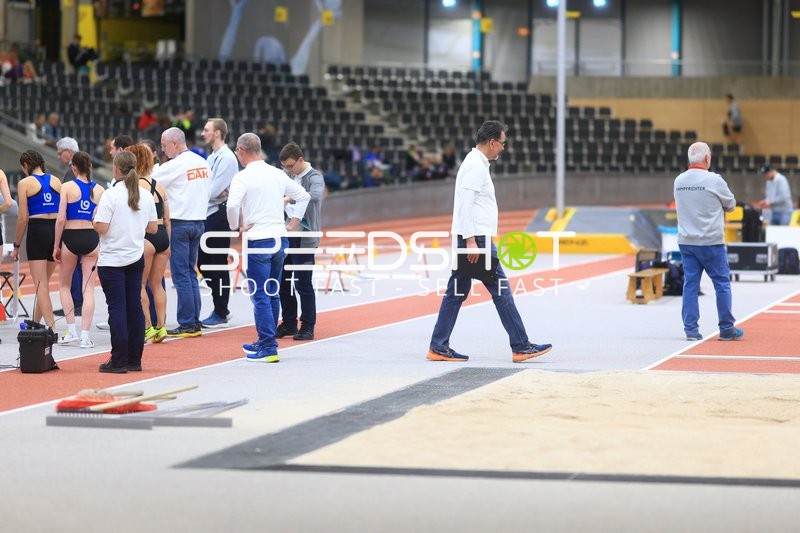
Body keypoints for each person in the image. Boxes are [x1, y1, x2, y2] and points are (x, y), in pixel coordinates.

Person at [427, 120, 552, 363]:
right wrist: (471, 241)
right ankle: (521, 345)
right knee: (501, 291)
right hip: (476, 240)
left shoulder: (475, 163)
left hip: (472, 237)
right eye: (502, 143)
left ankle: (438, 346)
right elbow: (466, 204)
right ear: (492, 142)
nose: (504, 148)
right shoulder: (475, 165)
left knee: (456, 293)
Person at [226, 133, 310, 363]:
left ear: (242, 150)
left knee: (260, 294)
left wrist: (236, 227)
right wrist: (293, 222)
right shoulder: (276, 173)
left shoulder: (242, 177)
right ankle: (267, 339)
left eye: (237, 152)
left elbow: (232, 205)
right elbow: (303, 196)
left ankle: (268, 345)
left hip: (258, 240)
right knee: (272, 291)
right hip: (279, 239)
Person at [93, 151, 158, 373]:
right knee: (135, 308)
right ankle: (134, 359)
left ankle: (118, 360)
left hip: (112, 259)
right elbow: (153, 228)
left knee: (117, 309)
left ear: (116, 169)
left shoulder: (111, 195)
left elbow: (101, 227)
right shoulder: (146, 195)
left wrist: (96, 218)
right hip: (134, 256)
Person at [673, 142, 742, 342]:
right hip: (711, 242)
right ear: (707, 158)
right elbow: (731, 205)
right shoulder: (714, 180)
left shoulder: (678, 181)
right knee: (721, 284)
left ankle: (691, 330)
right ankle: (727, 329)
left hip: (687, 241)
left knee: (690, 285)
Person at [153, 127, 211, 337]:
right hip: (198, 222)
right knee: (190, 272)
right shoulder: (202, 162)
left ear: (174, 144)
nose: (163, 149)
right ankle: (194, 321)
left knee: (181, 276)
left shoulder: (175, 165)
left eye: (164, 145)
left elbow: (150, 180)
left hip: (180, 223)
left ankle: (187, 323)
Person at [52, 151, 103, 348]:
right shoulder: (99, 190)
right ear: (90, 166)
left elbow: (61, 219)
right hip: (91, 238)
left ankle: (71, 329)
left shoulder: (66, 187)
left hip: (71, 238)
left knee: (64, 285)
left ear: (73, 168)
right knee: (88, 288)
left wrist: (56, 245)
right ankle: (84, 336)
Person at [276, 142, 324, 341]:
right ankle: (288, 323)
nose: (287, 170)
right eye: (285, 166)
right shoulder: (288, 176)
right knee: (284, 282)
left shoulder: (314, 177)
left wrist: (289, 199)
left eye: (290, 165)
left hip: (306, 237)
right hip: (288, 234)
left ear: (300, 160)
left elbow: (315, 195)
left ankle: (307, 326)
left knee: (303, 283)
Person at [11, 150, 61, 329]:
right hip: (56, 231)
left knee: (40, 285)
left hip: (37, 231)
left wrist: (17, 245)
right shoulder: (56, 180)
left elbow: (22, 218)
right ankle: (36, 324)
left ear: (26, 165)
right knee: (44, 284)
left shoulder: (25, 183)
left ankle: (52, 329)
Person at [127, 143, 170, 344]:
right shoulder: (159, 185)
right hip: (162, 236)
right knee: (157, 284)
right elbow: (167, 218)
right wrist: (167, 242)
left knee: (140, 285)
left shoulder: (134, 185)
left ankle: (147, 327)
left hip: (146, 235)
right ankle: (162, 327)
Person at [198, 118, 238, 328]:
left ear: (217, 133)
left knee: (217, 263)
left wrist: (211, 192)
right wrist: (210, 191)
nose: (203, 133)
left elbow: (212, 191)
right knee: (203, 263)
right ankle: (221, 306)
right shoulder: (212, 156)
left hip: (218, 215)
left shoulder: (227, 158)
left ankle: (221, 311)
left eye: (207, 130)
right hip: (209, 213)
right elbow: (210, 189)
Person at [54, 137, 83, 317]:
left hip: (73, 225)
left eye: (60, 152)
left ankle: (75, 302)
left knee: (73, 266)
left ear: (69, 152)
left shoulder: (73, 172)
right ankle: (76, 301)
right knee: (77, 265)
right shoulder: (78, 170)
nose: (58, 157)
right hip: (82, 225)